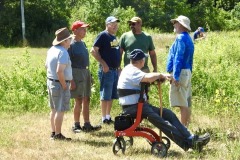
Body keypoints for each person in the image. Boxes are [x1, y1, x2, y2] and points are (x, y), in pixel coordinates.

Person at [117, 49, 210, 151]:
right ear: (141, 61)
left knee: (168, 114)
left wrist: (157, 79)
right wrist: (161, 75)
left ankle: (190, 137)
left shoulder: (130, 69)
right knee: (162, 122)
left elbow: (145, 80)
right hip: (134, 107)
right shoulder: (132, 70)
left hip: (139, 106)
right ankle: (188, 144)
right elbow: (147, 77)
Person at [69, 20, 102, 133]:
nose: (85, 31)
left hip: (85, 73)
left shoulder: (82, 43)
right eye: (83, 29)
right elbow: (68, 64)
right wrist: (71, 80)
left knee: (86, 99)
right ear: (75, 30)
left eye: (85, 29)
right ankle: (76, 125)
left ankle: (87, 124)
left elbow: (85, 60)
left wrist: (89, 75)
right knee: (78, 99)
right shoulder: (71, 44)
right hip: (76, 73)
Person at [45, 27, 74, 140]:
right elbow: (59, 71)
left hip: (51, 81)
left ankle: (53, 132)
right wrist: (64, 85)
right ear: (64, 41)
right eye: (69, 39)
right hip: (59, 83)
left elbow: (46, 66)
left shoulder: (51, 50)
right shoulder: (63, 53)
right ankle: (58, 134)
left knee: (53, 109)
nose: (71, 41)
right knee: (60, 110)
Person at [91, 16, 121, 124]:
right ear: (107, 24)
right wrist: (103, 64)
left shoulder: (114, 37)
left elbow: (115, 53)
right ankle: (103, 118)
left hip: (114, 70)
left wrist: (118, 67)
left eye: (116, 24)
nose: (115, 25)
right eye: (112, 23)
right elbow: (93, 51)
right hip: (107, 70)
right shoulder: (103, 35)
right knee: (105, 95)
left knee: (112, 95)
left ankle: (108, 117)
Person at [166, 15, 194, 126]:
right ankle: (185, 127)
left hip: (180, 72)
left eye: (176, 22)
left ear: (181, 25)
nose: (174, 25)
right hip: (186, 71)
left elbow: (178, 57)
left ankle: (183, 129)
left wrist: (176, 77)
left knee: (182, 103)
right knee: (185, 100)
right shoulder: (188, 38)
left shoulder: (180, 38)